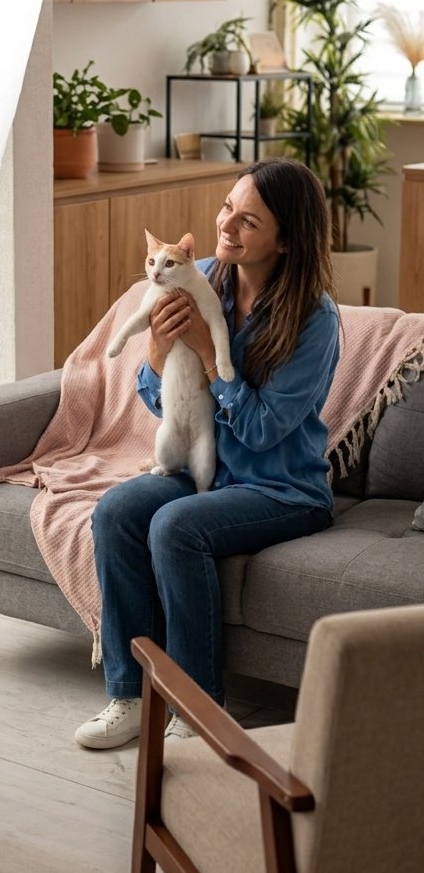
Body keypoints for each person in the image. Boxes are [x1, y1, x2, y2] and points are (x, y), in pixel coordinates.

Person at [74, 158, 340, 750]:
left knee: (174, 526)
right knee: (115, 511)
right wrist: (158, 350)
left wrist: (207, 354)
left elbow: (265, 429)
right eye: (227, 208)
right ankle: (127, 694)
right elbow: (161, 400)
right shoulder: (194, 279)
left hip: (282, 489)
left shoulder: (314, 320)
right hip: (209, 468)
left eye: (249, 221)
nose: (228, 226)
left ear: (287, 240)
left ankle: (198, 708)